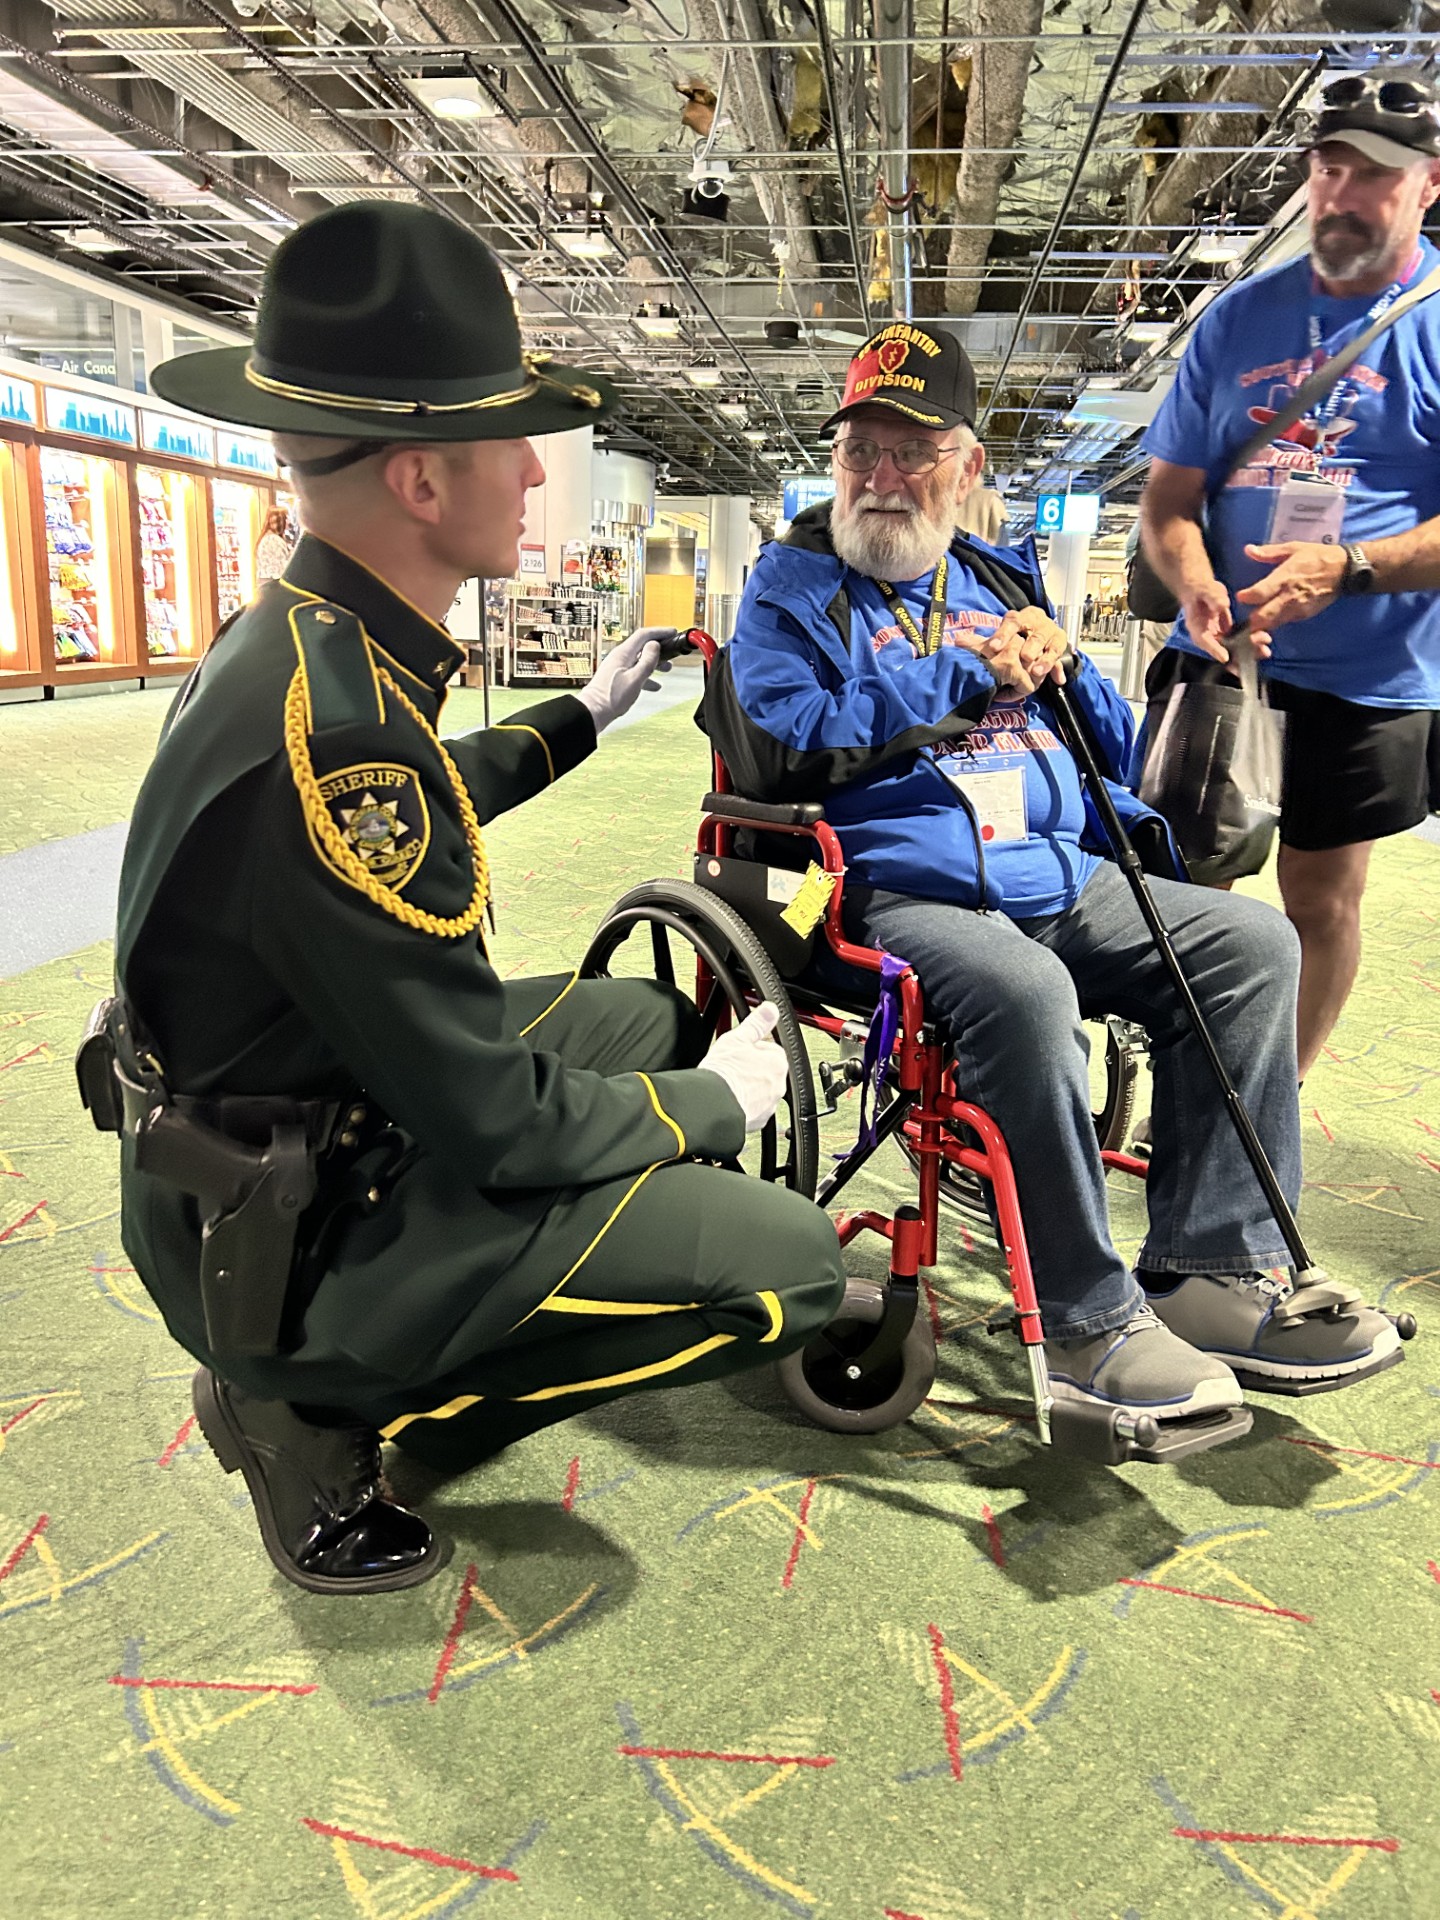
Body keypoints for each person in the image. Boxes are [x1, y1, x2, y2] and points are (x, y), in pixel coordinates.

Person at [100, 202, 845, 1596]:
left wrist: (581, 717)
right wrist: (714, 1106)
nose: (534, 470)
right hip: (285, 1226)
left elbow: (412, 806)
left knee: (638, 1017)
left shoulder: (306, 643)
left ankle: (423, 1320)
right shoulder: (337, 728)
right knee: (790, 1272)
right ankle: (308, 1409)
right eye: (511, 441)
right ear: (422, 481)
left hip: (282, 1120)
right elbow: (497, 1121)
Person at [702, 321, 1403, 1435]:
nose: (882, 476)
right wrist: (960, 678)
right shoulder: (791, 585)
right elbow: (783, 741)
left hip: (1056, 871)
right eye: (861, 451)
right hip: (893, 889)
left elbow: (1113, 756)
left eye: (913, 451)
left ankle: (1213, 1273)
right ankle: (1087, 1323)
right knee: (1028, 990)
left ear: (966, 465)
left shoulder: (997, 573)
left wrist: (1069, 672)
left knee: (1253, 946)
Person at [1139, 67, 1440, 1079]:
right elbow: (1168, 504)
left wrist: (1346, 568)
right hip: (1222, 662)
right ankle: (1186, 1083)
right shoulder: (1237, 319)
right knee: (1189, 891)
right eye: (1328, 168)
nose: (1342, 194)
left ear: (1430, 183)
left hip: (1371, 679)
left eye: (1375, 175)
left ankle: (1270, 1104)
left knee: (1321, 902)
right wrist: (1192, 580)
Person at [253, 506, 292, 584]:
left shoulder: (268, 538)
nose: (289, 521)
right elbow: (281, 570)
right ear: (280, 521)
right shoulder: (274, 540)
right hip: (274, 585)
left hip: (267, 584)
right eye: (286, 518)